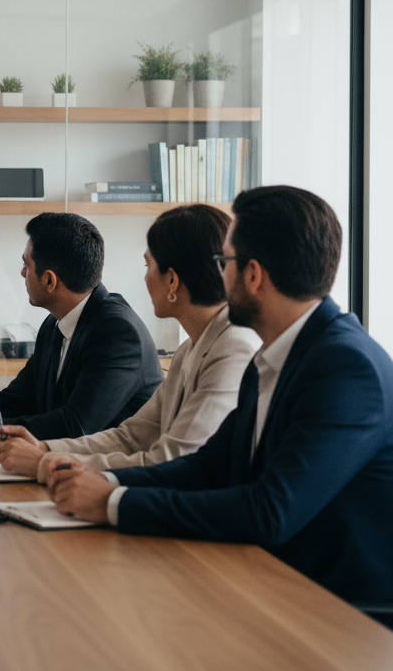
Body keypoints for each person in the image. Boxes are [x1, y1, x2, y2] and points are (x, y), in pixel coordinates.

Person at [46, 186, 393, 604]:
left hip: (340, 611)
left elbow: (269, 511)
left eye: (224, 263)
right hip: (271, 578)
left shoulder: (345, 368)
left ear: (253, 275)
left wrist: (115, 503)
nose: (217, 276)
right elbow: (209, 465)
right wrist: (104, 481)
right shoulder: (275, 354)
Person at [0, 205, 259, 480]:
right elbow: (131, 437)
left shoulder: (233, 349)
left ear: (173, 280)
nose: (145, 277)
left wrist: (45, 461)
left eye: (148, 265)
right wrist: (43, 447)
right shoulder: (188, 350)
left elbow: (170, 460)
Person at [0, 212, 163, 448]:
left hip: (108, 476)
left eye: (27, 265)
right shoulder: (56, 323)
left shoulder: (118, 333)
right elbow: (17, 400)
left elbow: (74, 427)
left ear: (49, 280)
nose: (22, 272)